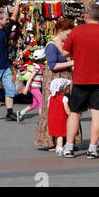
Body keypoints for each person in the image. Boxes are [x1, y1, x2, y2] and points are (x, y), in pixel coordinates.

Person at [60, 4, 99, 159]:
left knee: (75, 113)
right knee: (97, 113)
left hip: (81, 78)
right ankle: (93, 149)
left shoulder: (76, 32)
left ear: (86, 16)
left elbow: (64, 52)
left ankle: (68, 147)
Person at [33, 18, 74, 150]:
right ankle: (50, 140)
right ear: (60, 31)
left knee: (67, 108)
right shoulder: (51, 45)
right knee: (53, 110)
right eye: (67, 34)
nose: (69, 37)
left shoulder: (66, 43)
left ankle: (68, 139)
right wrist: (73, 63)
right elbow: (53, 65)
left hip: (66, 78)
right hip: (54, 79)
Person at [47, 77, 71, 154]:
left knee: (56, 133)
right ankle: (60, 147)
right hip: (61, 118)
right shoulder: (64, 98)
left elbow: (48, 107)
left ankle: (58, 145)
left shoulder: (50, 97)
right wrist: (71, 115)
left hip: (52, 117)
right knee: (60, 134)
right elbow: (67, 110)